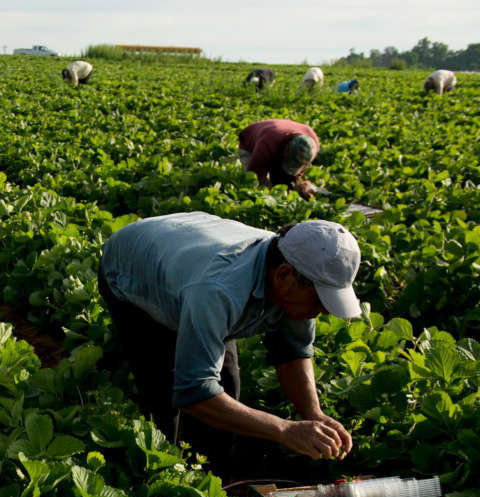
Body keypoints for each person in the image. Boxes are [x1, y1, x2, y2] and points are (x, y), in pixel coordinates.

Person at [97, 212, 360, 474]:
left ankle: (212, 477)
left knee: (227, 384)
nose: (324, 311)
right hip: (133, 264)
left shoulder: (295, 269)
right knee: (165, 394)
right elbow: (195, 391)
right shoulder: (218, 290)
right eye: (320, 301)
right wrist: (284, 429)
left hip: (189, 248)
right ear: (284, 275)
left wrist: (314, 414)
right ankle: (160, 478)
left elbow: (292, 353)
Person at [237, 119, 320, 199]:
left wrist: (298, 185)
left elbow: (295, 175)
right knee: (254, 185)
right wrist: (272, 194)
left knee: (285, 181)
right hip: (249, 141)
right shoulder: (266, 145)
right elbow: (254, 174)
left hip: (277, 140)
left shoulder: (313, 146)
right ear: (287, 148)